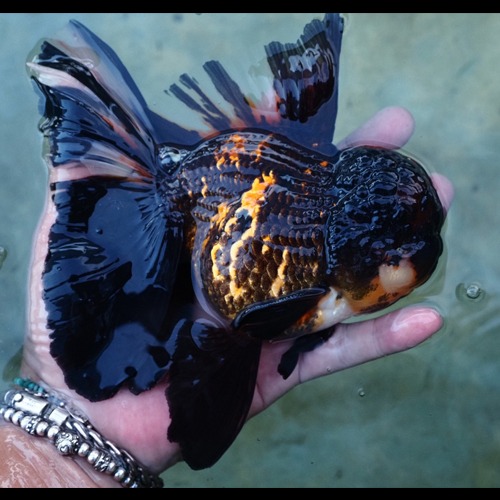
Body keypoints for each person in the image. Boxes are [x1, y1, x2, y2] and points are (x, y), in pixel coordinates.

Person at [0, 106, 454, 488]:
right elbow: (252, 324)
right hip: (207, 216)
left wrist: (60, 458)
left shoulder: (338, 269)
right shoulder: (319, 286)